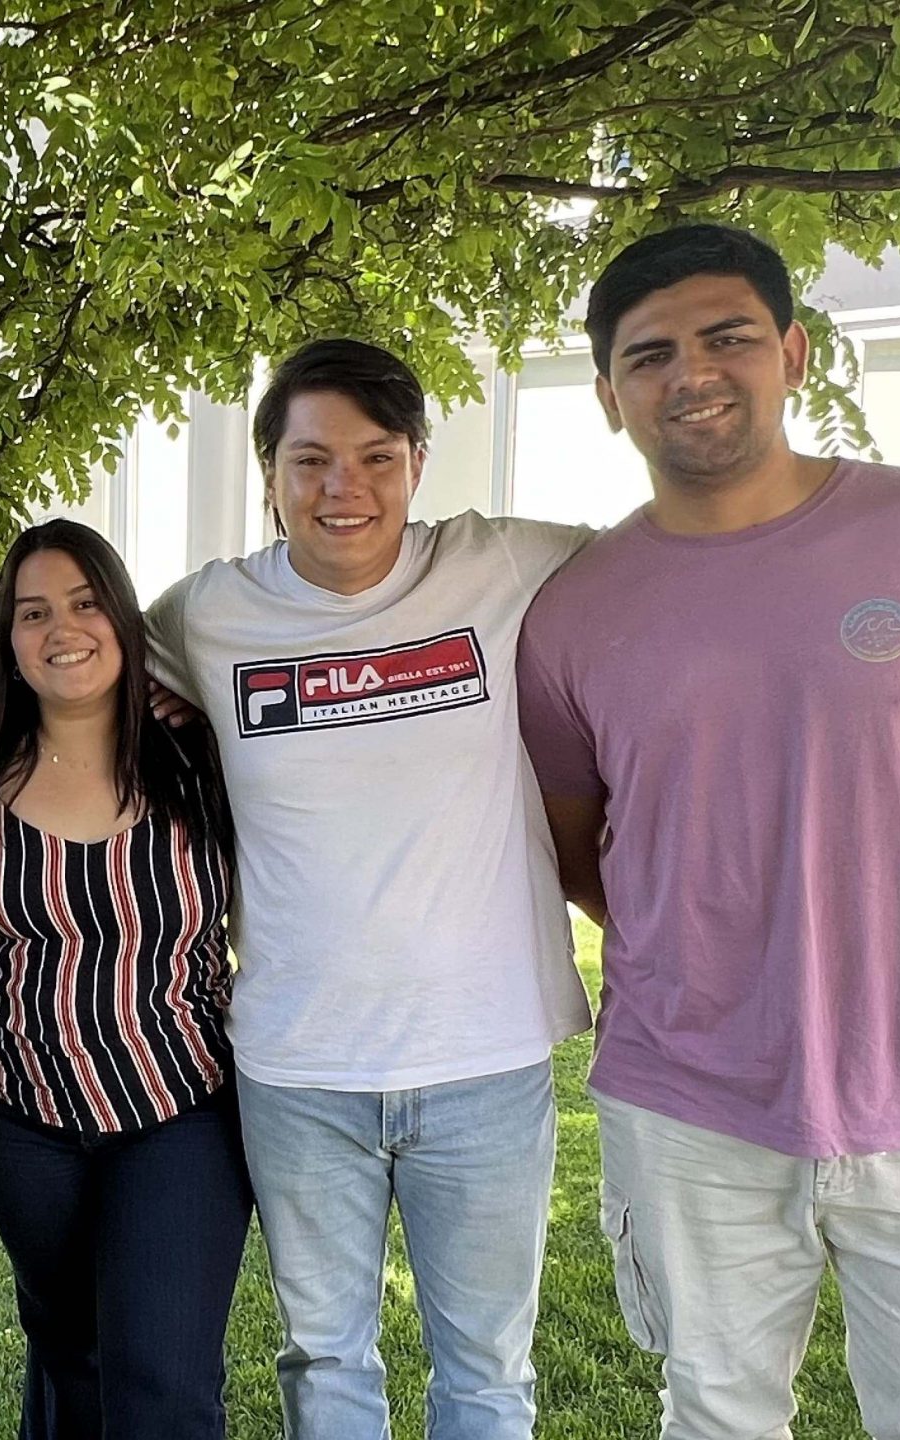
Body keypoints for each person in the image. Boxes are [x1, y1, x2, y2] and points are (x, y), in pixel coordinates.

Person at [517, 222, 900, 1440]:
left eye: (727, 337)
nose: (690, 373)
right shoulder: (571, 612)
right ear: (605, 396)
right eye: (648, 356)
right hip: (689, 1102)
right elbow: (580, 850)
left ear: (793, 353)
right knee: (716, 1418)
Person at [145, 338, 595, 1440]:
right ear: (268, 477)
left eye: (374, 458)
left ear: (416, 464)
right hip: (298, 1065)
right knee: (325, 1360)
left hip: (484, 1059)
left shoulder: (501, 562)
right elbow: (71, 668)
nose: (342, 489)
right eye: (309, 462)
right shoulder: (204, 616)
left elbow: (692, 554)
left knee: (486, 1373)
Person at [0, 518, 249, 1439]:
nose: (61, 628)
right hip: (17, 1110)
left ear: (121, 615)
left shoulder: (202, 755)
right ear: (8, 639)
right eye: (32, 611)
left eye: (84, 603)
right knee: (67, 1349)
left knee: (162, 1379)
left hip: (178, 1105)